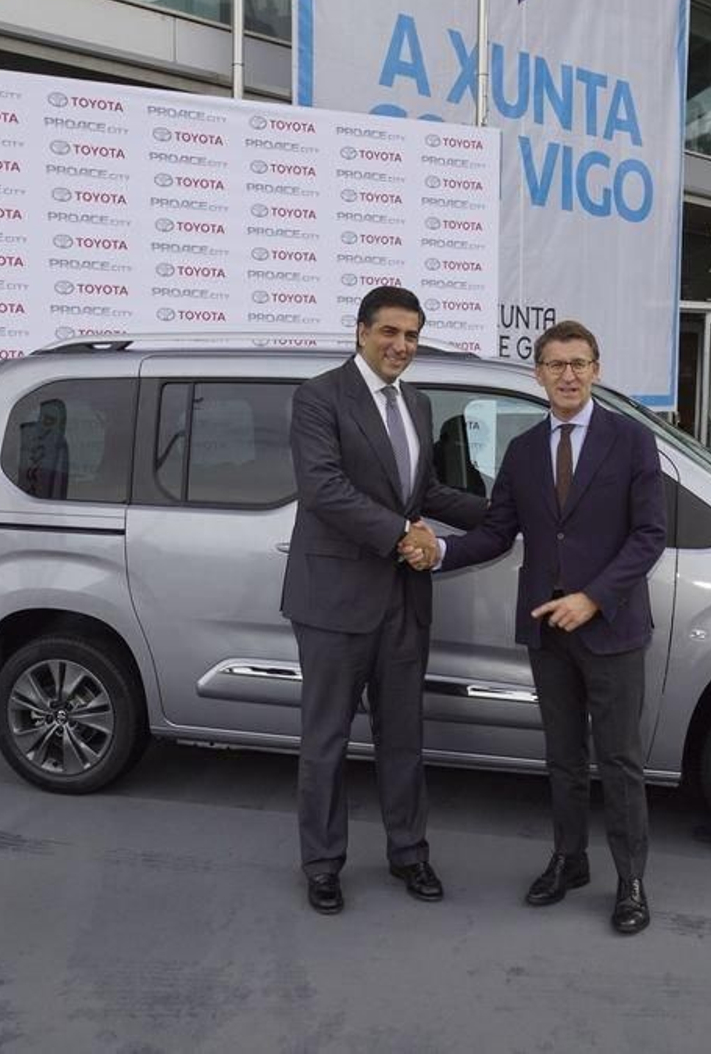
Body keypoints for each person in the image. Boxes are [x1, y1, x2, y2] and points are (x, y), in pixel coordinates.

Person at [413, 320, 666, 935]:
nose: (568, 375)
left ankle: (630, 880)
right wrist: (440, 553)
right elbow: (498, 532)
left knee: (620, 760)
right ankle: (569, 859)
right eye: (556, 365)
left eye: (579, 363)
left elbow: (649, 535)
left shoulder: (631, 441)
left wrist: (594, 598)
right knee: (562, 758)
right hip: (546, 631)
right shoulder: (524, 449)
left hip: (610, 628)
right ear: (539, 374)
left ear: (597, 369)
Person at [282, 286, 487, 915]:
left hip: (402, 603)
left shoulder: (418, 404)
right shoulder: (319, 397)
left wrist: (510, 512)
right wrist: (404, 535)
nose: (402, 346)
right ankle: (321, 864)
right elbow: (323, 489)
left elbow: (422, 490)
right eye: (390, 332)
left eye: (412, 335)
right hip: (335, 601)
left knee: (404, 739)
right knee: (326, 742)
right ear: (361, 332)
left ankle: (409, 855)